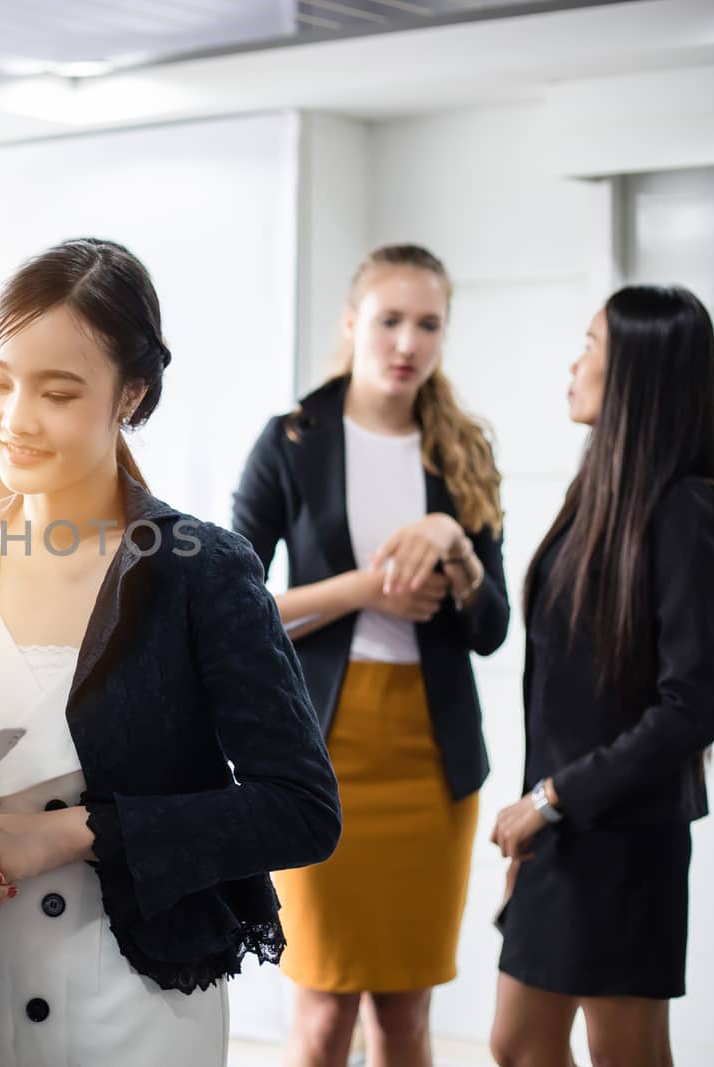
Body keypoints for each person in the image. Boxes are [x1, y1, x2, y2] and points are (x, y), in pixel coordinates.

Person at [0, 238, 342, 1067]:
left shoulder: (200, 570)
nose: (15, 417)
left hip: (123, 1002)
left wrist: (77, 832)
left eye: (57, 392)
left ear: (130, 394)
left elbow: (302, 809)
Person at [232, 243, 510, 1067]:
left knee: (405, 1019)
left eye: (429, 324)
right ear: (353, 323)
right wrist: (363, 590)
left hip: (432, 762)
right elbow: (232, 612)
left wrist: (457, 548)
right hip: (322, 756)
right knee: (321, 1017)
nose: (407, 343)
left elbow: (491, 626)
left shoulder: (462, 450)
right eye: (390, 320)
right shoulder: (289, 441)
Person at [488, 285, 714, 1067]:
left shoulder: (683, 507)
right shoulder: (597, 490)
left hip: (621, 833)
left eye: (590, 344)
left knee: (626, 1053)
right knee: (519, 1045)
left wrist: (552, 800)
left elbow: (691, 705)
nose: (574, 362)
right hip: (561, 829)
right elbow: (565, 688)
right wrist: (540, 817)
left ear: (636, 374)